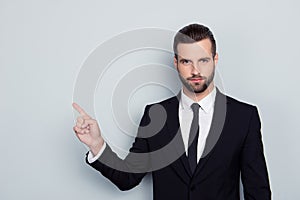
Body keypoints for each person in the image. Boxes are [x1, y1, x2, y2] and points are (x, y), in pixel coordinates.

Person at [72, 23, 271, 199]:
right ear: (176, 63)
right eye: (186, 61)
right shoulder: (154, 114)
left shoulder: (244, 117)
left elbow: (258, 190)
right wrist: (97, 145)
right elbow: (128, 178)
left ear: (215, 59)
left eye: (203, 60)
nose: (195, 71)